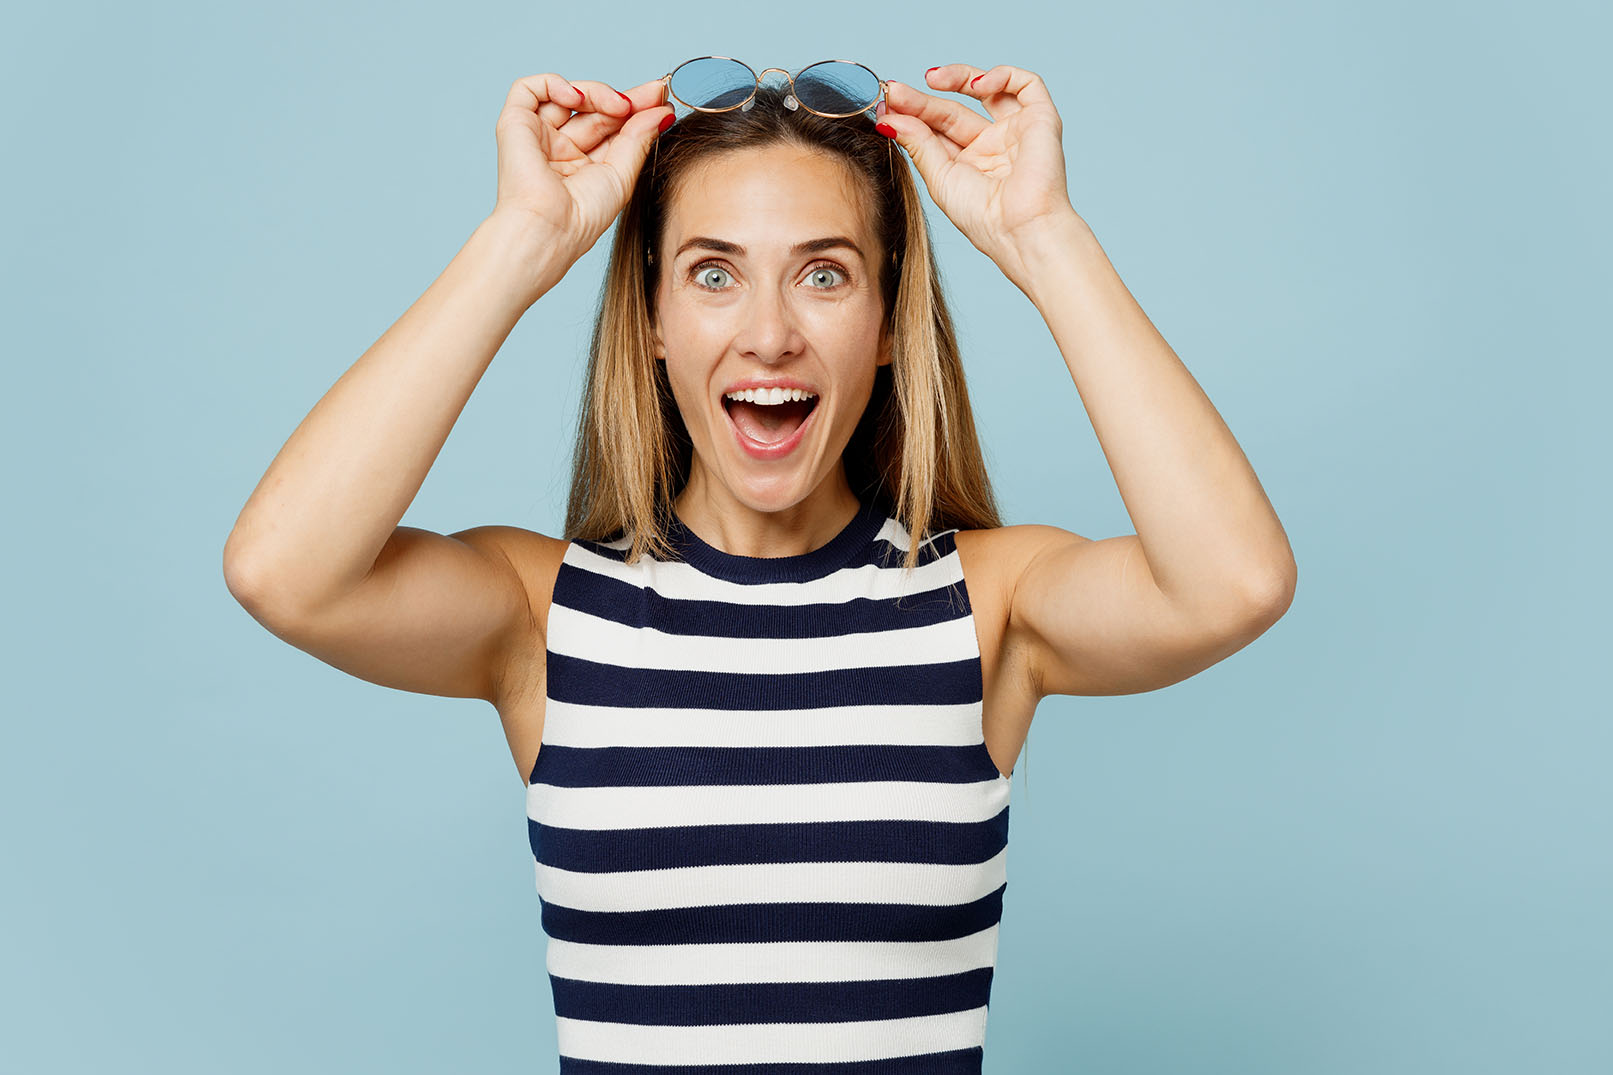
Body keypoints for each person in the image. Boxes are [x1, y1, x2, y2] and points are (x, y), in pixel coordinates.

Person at [223, 61, 1296, 1071]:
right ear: (650, 317)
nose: (770, 334)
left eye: (823, 275)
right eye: (713, 275)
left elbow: (1231, 583)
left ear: (885, 321)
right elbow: (284, 569)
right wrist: (522, 239)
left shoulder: (985, 605)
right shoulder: (543, 617)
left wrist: (1042, 237)